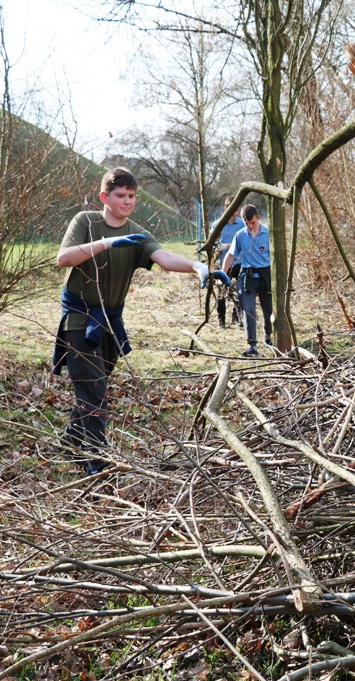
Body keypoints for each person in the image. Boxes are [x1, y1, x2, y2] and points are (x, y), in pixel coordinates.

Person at [52, 167, 210, 475]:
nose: (127, 201)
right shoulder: (86, 222)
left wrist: (197, 266)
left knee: (93, 390)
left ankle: (70, 441)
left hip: (110, 324)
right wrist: (107, 244)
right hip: (79, 319)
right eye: (120, 196)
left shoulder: (138, 232)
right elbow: (63, 258)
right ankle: (98, 465)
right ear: (104, 197)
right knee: (94, 392)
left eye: (132, 196)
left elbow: (163, 258)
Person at [222, 204, 272, 357]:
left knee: (268, 309)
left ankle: (268, 336)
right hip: (247, 275)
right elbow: (230, 255)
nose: (250, 226)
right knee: (248, 309)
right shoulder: (240, 235)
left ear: (258, 217)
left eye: (252, 222)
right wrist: (222, 275)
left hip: (266, 274)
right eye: (246, 223)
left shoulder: (268, 234)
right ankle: (252, 345)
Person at [215, 196, 245, 328]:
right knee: (221, 291)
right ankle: (221, 320)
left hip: (238, 262)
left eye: (236, 211)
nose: (234, 215)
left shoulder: (241, 224)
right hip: (222, 264)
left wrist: (229, 246)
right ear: (225, 208)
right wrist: (220, 246)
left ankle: (236, 318)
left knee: (239, 292)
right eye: (231, 211)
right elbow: (213, 243)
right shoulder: (218, 224)